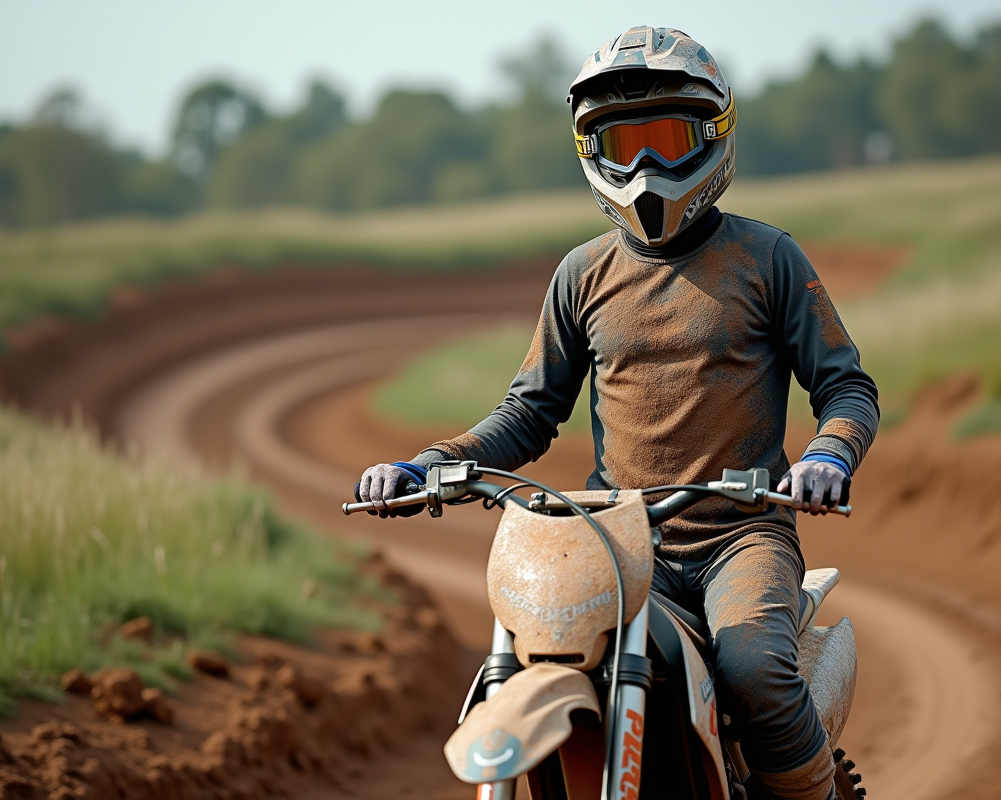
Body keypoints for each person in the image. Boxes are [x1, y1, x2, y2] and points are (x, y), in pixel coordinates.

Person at [355, 26, 878, 800]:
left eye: (667, 140)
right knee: (543, 654)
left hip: (742, 533)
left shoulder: (768, 258)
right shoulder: (581, 275)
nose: (645, 167)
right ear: (591, 152)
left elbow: (845, 387)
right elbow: (531, 411)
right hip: (621, 541)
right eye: (624, 145)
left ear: (713, 135)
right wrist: (426, 466)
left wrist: (828, 457)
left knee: (753, 670)